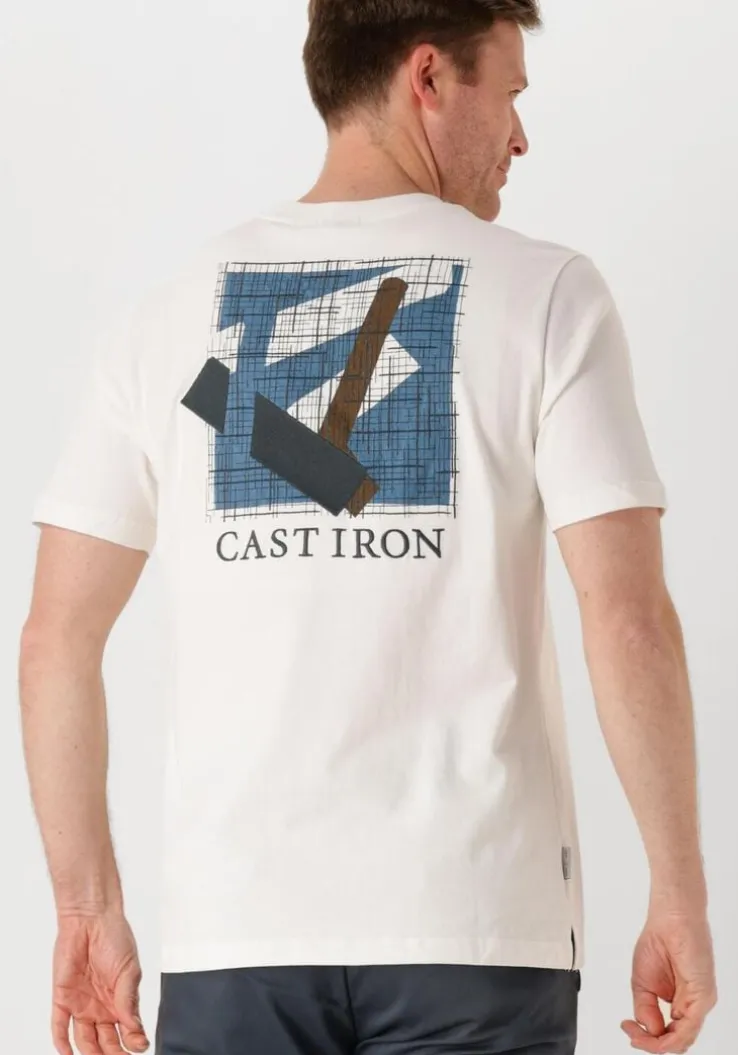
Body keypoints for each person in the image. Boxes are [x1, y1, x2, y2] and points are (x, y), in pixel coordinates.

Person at [20, 2, 717, 1053]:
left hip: (236, 934)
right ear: (427, 77)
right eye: (510, 93)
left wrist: (84, 908)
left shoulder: (167, 317)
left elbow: (55, 637)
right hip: (476, 929)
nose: (522, 137)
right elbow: (627, 619)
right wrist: (679, 891)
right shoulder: (546, 295)